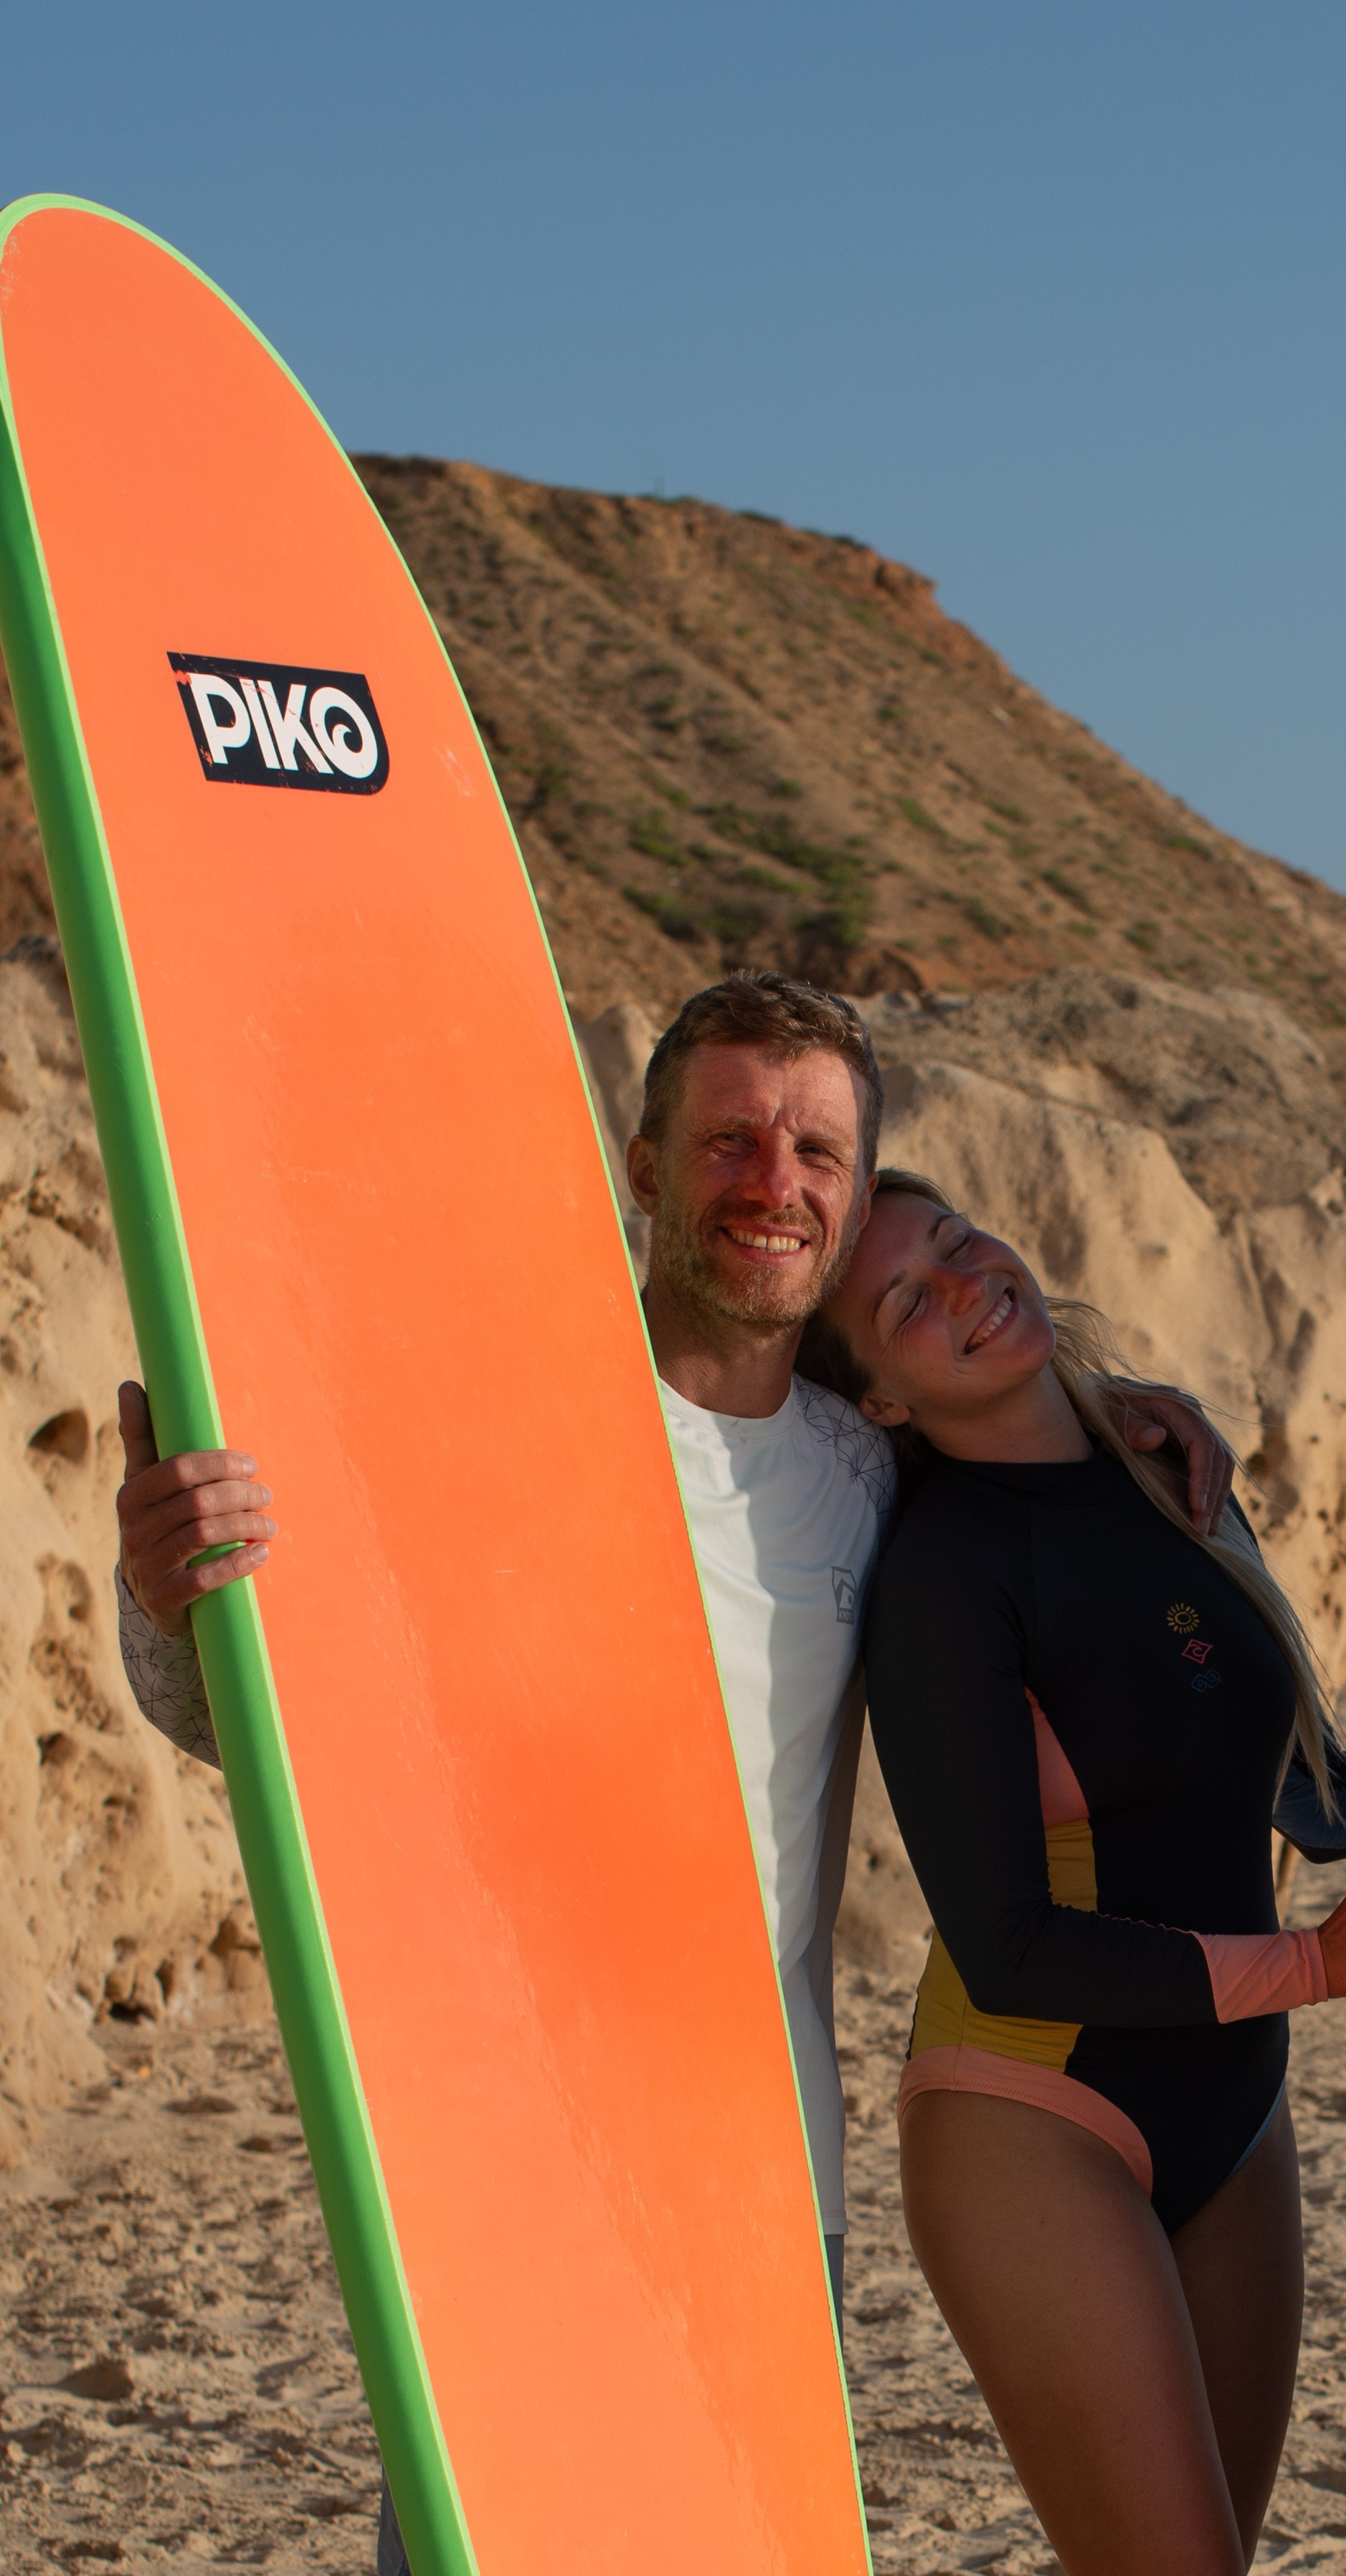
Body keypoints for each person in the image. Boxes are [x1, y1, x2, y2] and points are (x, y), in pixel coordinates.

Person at [113, 972, 1237, 2576]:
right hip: (508, 2154)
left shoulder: (870, 1476)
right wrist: (167, 1599)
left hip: (768, 2171)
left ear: (850, 1210)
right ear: (641, 1168)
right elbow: (246, 1718)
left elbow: (1013, 1441)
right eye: (728, 1140)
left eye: (814, 1155)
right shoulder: (481, 1418)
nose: (771, 1182)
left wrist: (1130, 1406)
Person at [795, 1168, 1346, 2576]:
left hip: (1232, 2100)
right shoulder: (946, 1578)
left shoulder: (1169, 1466)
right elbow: (1009, 1941)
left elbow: (1309, 1801)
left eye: (955, 1238)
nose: (964, 1279)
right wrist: (1309, 1968)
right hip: (1036, 2113)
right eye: (907, 1297)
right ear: (881, 1398)